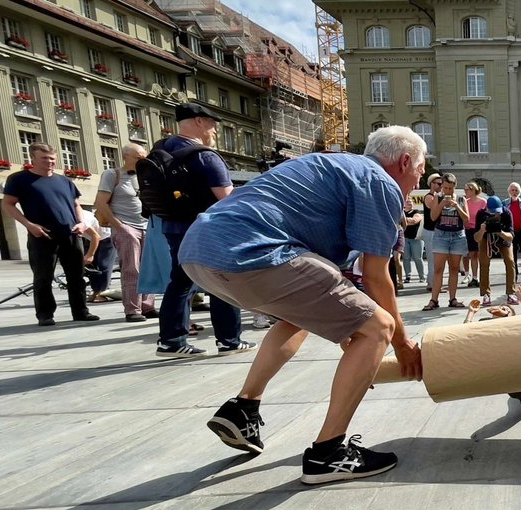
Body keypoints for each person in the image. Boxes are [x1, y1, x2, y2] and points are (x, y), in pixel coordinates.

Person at [178, 125, 426, 484]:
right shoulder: (381, 182)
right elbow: (376, 276)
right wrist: (402, 346)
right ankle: (328, 453)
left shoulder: (330, 167)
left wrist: (349, 331)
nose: (417, 180)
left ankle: (244, 407)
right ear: (404, 161)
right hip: (254, 254)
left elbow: (334, 287)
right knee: (380, 329)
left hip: (199, 253)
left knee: (299, 318)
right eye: (420, 171)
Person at [150, 103, 248, 357]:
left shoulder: (161, 149)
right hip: (207, 230)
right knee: (223, 281)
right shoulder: (204, 155)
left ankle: (171, 341)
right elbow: (226, 199)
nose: (214, 130)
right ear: (199, 121)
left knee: (181, 282)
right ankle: (229, 340)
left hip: (172, 226)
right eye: (212, 124)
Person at [1, 143, 98, 326]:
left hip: (70, 233)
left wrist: (82, 223)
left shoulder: (65, 181)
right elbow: (7, 204)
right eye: (44, 158)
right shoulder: (19, 179)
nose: (49, 162)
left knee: (76, 275)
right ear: (33, 159)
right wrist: (29, 225)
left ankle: (81, 311)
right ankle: (45, 314)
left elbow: (76, 204)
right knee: (43, 276)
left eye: (52, 158)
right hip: (42, 235)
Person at [96, 143, 157, 322]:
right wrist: (118, 225)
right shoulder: (112, 175)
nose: (143, 161)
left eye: (145, 157)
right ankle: (132, 309)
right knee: (132, 269)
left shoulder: (146, 176)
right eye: (138, 157)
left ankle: (147, 306)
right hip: (126, 225)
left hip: (147, 225)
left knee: (150, 268)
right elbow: (101, 203)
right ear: (126, 157)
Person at [425, 172, 469, 310]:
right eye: (445, 188)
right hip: (441, 235)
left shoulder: (461, 199)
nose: (448, 191)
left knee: (454, 269)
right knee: (438, 269)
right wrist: (442, 202)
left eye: (450, 188)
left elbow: (467, 219)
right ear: (442, 187)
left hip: (457, 235)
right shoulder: (437, 198)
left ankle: (452, 298)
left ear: (455, 186)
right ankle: (434, 300)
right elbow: (433, 217)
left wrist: (457, 206)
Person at [474, 195, 517, 300]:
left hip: (503, 238)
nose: (495, 215)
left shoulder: (506, 213)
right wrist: (482, 230)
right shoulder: (481, 214)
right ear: (487, 209)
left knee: (510, 261)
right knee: (484, 262)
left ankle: (511, 292)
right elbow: (476, 238)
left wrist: (500, 232)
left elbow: (511, 237)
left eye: (498, 212)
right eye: (493, 213)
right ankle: (485, 293)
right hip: (486, 238)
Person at [79, 208, 115, 304]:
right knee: (91, 266)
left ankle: (101, 292)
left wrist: (90, 254)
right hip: (91, 238)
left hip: (106, 236)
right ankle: (95, 291)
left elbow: (96, 237)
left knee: (104, 264)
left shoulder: (81, 218)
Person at [419, 172, 442, 288]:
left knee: (436, 258)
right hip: (430, 231)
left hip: (435, 231)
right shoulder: (429, 197)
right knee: (432, 258)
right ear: (432, 184)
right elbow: (435, 209)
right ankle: (432, 283)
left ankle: (433, 282)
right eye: (438, 183)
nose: (440, 185)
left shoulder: (436, 196)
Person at [463, 182, 487, 288]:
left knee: (481, 254)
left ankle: (483, 277)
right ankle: (474, 277)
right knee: (472, 254)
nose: (465, 191)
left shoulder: (483, 202)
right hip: (469, 230)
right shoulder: (465, 202)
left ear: (473, 190)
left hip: (480, 230)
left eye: (467, 189)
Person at [401, 195, 426, 286]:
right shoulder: (402, 212)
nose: (410, 204)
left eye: (411, 202)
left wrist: (403, 220)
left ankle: (422, 276)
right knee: (406, 258)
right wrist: (407, 221)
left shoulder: (416, 211)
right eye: (408, 202)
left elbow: (415, 220)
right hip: (405, 238)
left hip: (416, 239)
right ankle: (408, 276)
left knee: (418, 258)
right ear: (404, 204)